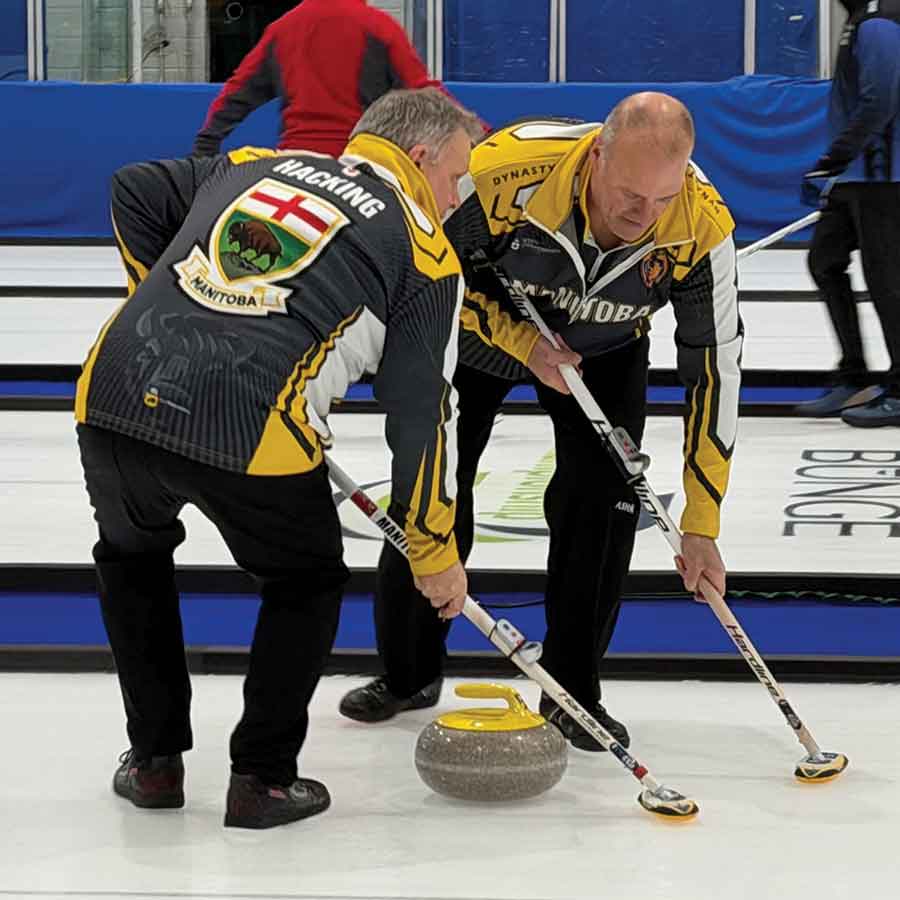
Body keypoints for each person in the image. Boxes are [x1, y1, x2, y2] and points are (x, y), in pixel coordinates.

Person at [75, 88, 484, 829]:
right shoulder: (426, 251)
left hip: (114, 389)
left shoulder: (260, 161)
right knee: (306, 581)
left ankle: (156, 765)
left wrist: (162, 303)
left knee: (132, 562)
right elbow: (423, 417)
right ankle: (261, 778)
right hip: (247, 421)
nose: (457, 199)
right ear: (419, 157)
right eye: (456, 178)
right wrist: (433, 547)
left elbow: (132, 188)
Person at [340, 93, 743, 752]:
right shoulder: (499, 175)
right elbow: (422, 278)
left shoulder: (701, 225)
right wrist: (518, 341)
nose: (643, 219)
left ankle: (572, 692)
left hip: (605, 348)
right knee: (436, 480)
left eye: (661, 201)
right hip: (476, 333)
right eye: (628, 197)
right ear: (596, 155)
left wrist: (701, 522)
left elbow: (716, 371)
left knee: (602, 509)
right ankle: (406, 671)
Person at [797, 0, 900, 424]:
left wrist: (834, 158)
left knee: (888, 282)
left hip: (884, 175)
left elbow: (881, 100)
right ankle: (854, 376)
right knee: (825, 261)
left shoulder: (880, 21)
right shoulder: (862, 18)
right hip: (857, 174)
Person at [194, 0, 453, 157]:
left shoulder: (283, 28)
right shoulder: (379, 27)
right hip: (359, 167)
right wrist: (479, 134)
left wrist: (205, 145)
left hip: (294, 166)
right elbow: (425, 93)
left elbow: (236, 93)